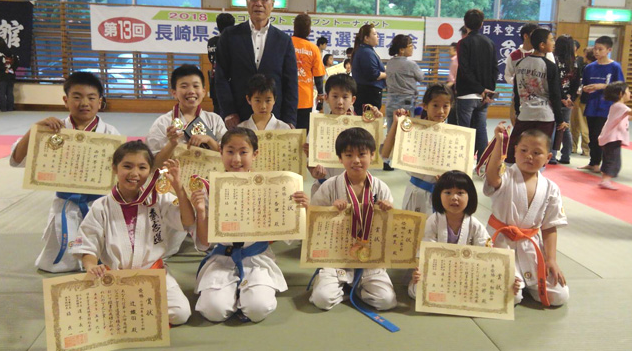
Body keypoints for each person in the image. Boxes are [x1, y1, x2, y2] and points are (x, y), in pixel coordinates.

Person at [193, 128, 309, 322]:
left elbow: (291, 233)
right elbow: (204, 243)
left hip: (257, 257)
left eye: (243, 152)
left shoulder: (270, 186)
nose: (236, 159)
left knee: (258, 309)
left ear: (255, 154)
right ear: (220, 152)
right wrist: (201, 211)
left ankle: (245, 296)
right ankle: (230, 296)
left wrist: (301, 207)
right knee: (213, 311)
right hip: (223, 258)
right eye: (230, 151)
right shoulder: (209, 187)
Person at [9, 72, 121, 272]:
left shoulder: (111, 134)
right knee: (59, 264)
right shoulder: (53, 129)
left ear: (100, 102)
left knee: (107, 261)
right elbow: (16, 160)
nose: (84, 102)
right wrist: (34, 130)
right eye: (77, 97)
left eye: (91, 97)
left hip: (99, 204)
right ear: (65, 100)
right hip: (65, 205)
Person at [72, 141, 192, 326]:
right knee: (92, 316)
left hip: (153, 273)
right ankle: (137, 313)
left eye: (142, 167)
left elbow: (187, 221)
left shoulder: (157, 198)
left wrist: (178, 187)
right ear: (115, 168)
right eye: (127, 166)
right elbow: (88, 242)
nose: (134, 173)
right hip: (114, 277)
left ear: (150, 171)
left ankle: (133, 314)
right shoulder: (101, 206)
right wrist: (90, 267)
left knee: (180, 313)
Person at [309, 128, 396, 314]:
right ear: (340, 158)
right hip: (336, 256)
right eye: (349, 155)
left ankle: (355, 288)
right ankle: (341, 284)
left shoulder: (381, 188)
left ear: (372, 155)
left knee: (386, 301)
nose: (356, 160)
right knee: (322, 300)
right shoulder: (330, 186)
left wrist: (387, 211)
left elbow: (390, 231)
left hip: (370, 258)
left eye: (362, 154)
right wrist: (331, 212)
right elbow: (313, 223)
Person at [485, 125, 569, 307]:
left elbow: (550, 226)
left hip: (530, 247)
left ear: (548, 158)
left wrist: (551, 260)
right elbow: (491, 177)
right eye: (523, 150)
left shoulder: (551, 188)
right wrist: (499, 141)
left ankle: (525, 283)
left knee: (560, 296)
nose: (529, 156)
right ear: (514, 151)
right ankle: (518, 284)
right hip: (501, 244)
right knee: (510, 298)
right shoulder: (505, 176)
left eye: (537, 153)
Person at [215, 0, 298, 129]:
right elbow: (221, 77)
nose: (258, 3)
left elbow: (291, 83)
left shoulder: (284, 41)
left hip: (274, 117)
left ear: (272, 4)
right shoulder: (230, 36)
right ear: (247, 3)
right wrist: (229, 111)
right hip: (238, 116)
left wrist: (289, 119)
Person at [408, 170, 499, 299]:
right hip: (439, 272)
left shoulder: (475, 225)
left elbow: (486, 253)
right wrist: (420, 272)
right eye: (448, 192)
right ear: (438, 195)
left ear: (470, 196)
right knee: (418, 292)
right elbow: (428, 252)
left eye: (460, 193)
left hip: (466, 273)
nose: (454, 197)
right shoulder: (433, 221)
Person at [381, 84, 452, 213]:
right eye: (435, 105)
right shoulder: (413, 130)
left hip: (444, 195)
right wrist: (396, 124)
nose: (441, 111)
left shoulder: (456, 137)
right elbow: (385, 154)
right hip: (417, 193)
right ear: (424, 106)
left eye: (445, 106)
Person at [308, 74, 381, 197]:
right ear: (326, 98)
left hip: (355, 188)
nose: (340, 102)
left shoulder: (362, 126)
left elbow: (376, 153)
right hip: (323, 185)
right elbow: (309, 160)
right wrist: (313, 171)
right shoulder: (318, 126)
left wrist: (376, 124)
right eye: (335, 96)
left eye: (345, 97)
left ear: (352, 100)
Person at [505, 29, 568, 164]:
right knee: (539, 150)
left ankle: (512, 173)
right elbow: (555, 94)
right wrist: (560, 119)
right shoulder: (549, 66)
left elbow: (516, 91)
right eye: (551, 39)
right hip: (544, 115)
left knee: (517, 147)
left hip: (525, 113)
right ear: (542, 45)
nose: (554, 42)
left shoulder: (520, 63)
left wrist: (517, 111)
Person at [147, 64, 227, 169]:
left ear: (203, 91)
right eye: (184, 86)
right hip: (173, 181)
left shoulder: (214, 120)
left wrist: (209, 140)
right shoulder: (162, 123)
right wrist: (172, 143)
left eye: (196, 86)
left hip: (208, 180)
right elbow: (154, 166)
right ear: (174, 93)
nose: (191, 91)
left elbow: (229, 156)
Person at [455, 9, 498, 159]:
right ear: (482, 24)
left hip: (467, 93)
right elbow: (495, 69)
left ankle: (463, 162)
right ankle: (483, 163)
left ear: (465, 24)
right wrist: (488, 91)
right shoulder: (490, 43)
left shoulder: (463, 43)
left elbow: (465, 70)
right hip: (483, 95)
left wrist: (480, 89)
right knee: (481, 129)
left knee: (464, 130)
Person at [578, 36, 624, 173]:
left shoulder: (615, 67)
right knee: (592, 135)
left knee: (603, 136)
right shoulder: (589, 67)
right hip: (592, 105)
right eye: (595, 49)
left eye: (600, 49)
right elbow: (584, 84)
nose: (596, 52)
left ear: (609, 50)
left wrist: (602, 86)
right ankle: (593, 162)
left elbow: (620, 87)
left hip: (607, 107)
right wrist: (585, 89)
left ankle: (606, 165)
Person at [505, 23, 556, 127]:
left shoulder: (546, 54)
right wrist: (520, 80)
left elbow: (552, 76)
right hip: (520, 97)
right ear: (526, 36)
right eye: (534, 34)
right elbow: (508, 75)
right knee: (519, 127)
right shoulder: (514, 56)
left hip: (542, 101)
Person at [384, 34, 424, 136]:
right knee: (406, 130)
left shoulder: (390, 63)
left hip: (390, 99)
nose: (412, 48)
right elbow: (421, 77)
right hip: (406, 100)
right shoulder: (411, 64)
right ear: (401, 50)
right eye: (410, 46)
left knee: (390, 129)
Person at [291, 14, 325, 131]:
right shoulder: (313, 49)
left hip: (286, 97)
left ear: (294, 27)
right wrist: (320, 94)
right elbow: (318, 76)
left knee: (285, 133)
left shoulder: (286, 43)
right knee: (302, 134)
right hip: (305, 99)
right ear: (309, 31)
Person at [550, 35, 581, 165]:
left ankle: (552, 155)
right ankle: (566, 155)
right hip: (568, 99)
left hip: (556, 97)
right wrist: (571, 98)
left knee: (553, 126)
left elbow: (554, 82)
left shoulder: (553, 60)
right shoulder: (575, 62)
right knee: (565, 126)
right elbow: (576, 84)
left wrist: (562, 97)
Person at [351, 24, 386, 116]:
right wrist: (387, 74)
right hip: (368, 94)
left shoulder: (366, 50)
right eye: (374, 34)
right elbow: (373, 74)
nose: (377, 36)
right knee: (368, 122)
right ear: (366, 38)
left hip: (367, 92)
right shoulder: (366, 52)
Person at [207, 12, 235, 115]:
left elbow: (211, 59)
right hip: (230, 82)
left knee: (217, 111)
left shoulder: (211, 42)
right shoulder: (232, 42)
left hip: (215, 80)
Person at [570, 46, 595, 155]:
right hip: (584, 98)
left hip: (583, 98)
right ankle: (579, 147)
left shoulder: (588, 68)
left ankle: (583, 148)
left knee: (580, 124)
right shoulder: (586, 66)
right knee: (579, 123)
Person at [0, 37, 17, 112]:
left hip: (0, 75)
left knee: (1, 92)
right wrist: (11, 69)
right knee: (10, 92)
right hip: (10, 75)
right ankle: (10, 108)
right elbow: (17, 62)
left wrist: (4, 69)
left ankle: (3, 109)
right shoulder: (11, 52)